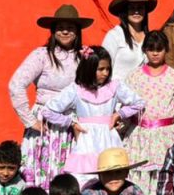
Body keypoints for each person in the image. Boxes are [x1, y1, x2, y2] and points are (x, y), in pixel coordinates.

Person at [8, 3, 92, 189]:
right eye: (60, 28)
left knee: (69, 174)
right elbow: (16, 84)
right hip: (44, 125)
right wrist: (30, 121)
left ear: (77, 31)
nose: (65, 32)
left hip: (72, 125)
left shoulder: (84, 57)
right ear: (53, 31)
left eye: (70, 28)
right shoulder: (42, 56)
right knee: (40, 171)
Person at [39, 45, 145, 178]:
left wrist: (118, 114)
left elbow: (139, 103)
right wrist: (71, 123)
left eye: (107, 69)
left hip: (109, 139)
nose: (105, 73)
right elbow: (48, 111)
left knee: (112, 174)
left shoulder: (114, 86)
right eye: (100, 69)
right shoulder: (76, 89)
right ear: (89, 69)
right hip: (86, 140)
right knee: (86, 177)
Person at [123, 30, 174, 195]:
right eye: (151, 49)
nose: (155, 53)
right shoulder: (134, 75)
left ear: (166, 50)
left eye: (159, 49)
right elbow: (128, 104)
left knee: (163, 177)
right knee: (138, 176)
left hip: (165, 136)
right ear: (145, 50)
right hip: (139, 135)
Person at [102, 0, 157, 81]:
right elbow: (103, 66)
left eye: (140, 8)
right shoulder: (114, 36)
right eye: (132, 8)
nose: (136, 11)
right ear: (125, 11)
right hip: (117, 93)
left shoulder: (150, 37)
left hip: (143, 94)